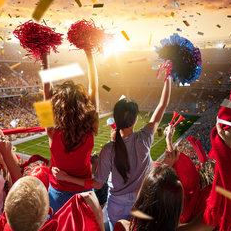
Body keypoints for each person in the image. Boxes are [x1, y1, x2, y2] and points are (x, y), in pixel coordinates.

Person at [53, 76, 171, 229]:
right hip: (143, 200)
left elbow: (97, 184)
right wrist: (167, 78)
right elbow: (162, 106)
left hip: (117, 205)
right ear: (135, 120)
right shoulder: (145, 137)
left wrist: (66, 177)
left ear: (115, 119)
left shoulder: (108, 149)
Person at [41, 50, 99, 215]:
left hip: (56, 195)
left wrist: (44, 56)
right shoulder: (90, 129)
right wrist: (89, 53)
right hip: (85, 196)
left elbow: (47, 91)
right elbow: (93, 87)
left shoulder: (50, 131)